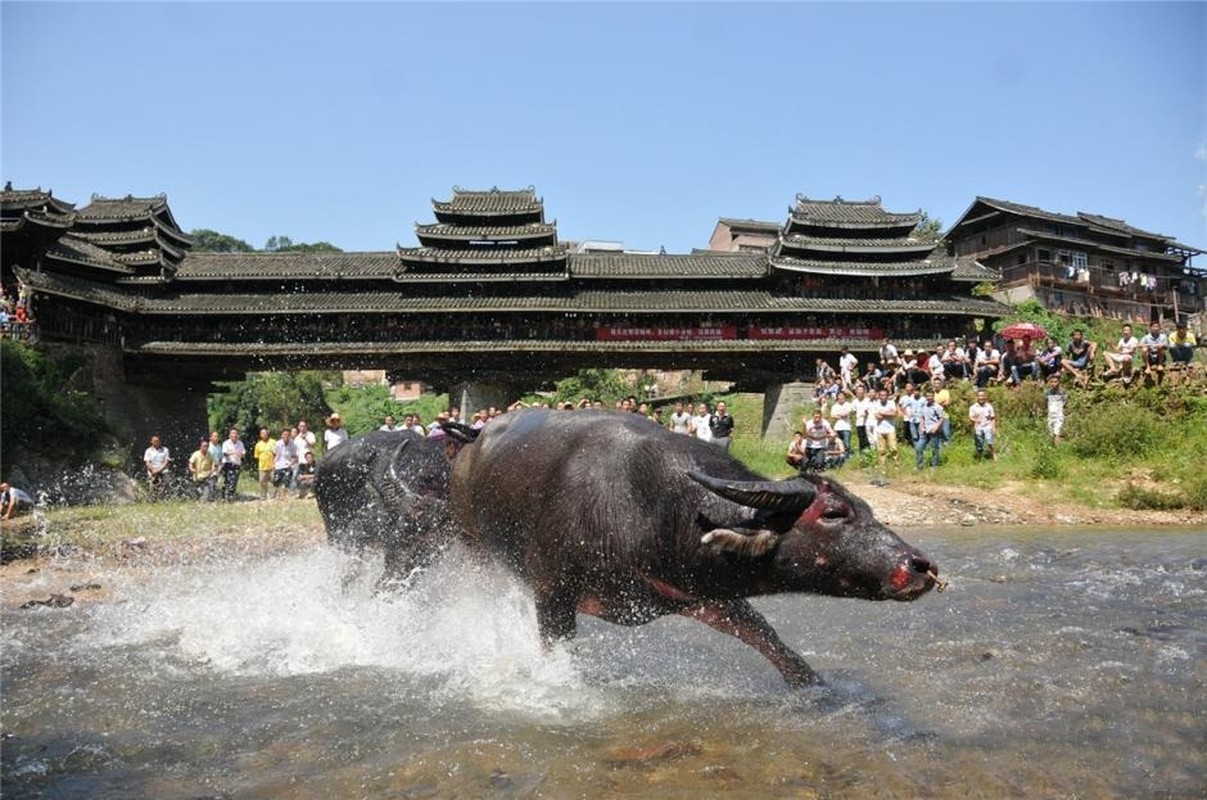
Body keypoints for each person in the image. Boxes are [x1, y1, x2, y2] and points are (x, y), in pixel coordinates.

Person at [916, 391, 947, 470]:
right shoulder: (924, 406)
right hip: (925, 431)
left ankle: (934, 466)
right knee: (919, 448)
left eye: (930, 396)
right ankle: (919, 466)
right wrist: (921, 426)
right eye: (927, 396)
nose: (929, 398)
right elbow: (922, 417)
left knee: (934, 449)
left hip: (934, 431)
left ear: (933, 396)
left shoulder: (938, 407)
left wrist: (936, 428)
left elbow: (942, 418)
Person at [872, 387, 900, 466]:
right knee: (881, 449)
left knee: (893, 448)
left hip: (890, 429)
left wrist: (882, 412)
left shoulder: (891, 403)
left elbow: (894, 414)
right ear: (879, 396)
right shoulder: (876, 404)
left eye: (884, 395)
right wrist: (888, 413)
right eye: (881, 395)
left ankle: (896, 464)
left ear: (887, 396)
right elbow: (877, 417)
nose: (883, 397)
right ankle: (882, 465)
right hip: (880, 429)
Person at [968, 389, 997, 462]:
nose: (981, 397)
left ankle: (993, 453)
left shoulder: (989, 406)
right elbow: (971, 417)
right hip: (978, 427)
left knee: (989, 441)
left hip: (987, 426)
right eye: (979, 396)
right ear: (977, 397)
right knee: (979, 445)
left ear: (985, 397)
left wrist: (993, 428)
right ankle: (979, 457)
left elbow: (992, 418)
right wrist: (975, 420)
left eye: (983, 396)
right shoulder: (973, 407)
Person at [143, 434, 171, 500]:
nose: (156, 442)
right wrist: (153, 470)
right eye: (155, 441)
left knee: (164, 482)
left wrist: (159, 470)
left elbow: (166, 462)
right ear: (151, 441)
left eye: (158, 441)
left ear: (160, 442)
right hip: (152, 469)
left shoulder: (165, 450)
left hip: (162, 468)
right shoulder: (148, 451)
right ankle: (152, 498)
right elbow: (147, 462)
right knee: (152, 483)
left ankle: (161, 498)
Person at [220, 428, 245, 501]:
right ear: (229, 435)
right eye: (233, 433)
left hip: (237, 464)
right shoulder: (226, 443)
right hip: (228, 464)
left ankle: (231, 496)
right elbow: (224, 453)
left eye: (236, 433)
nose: (234, 435)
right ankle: (224, 496)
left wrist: (241, 454)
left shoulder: (240, 443)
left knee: (234, 481)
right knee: (227, 480)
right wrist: (232, 453)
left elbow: (243, 453)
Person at [253, 427, 276, 501]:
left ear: (268, 433)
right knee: (262, 482)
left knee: (274, 481)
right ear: (260, 435)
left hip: (272, 466)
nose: (264, 434)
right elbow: (257, 456)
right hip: (262, 467)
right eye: (262, 433)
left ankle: (274, 496)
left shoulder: (273, 442)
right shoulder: (258, 445)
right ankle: (263, 497)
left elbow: (277, 453)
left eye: (265, 432)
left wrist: (275, 463)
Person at [1044, 374, 1067, 445]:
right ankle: (1053, 449)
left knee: (1057, 433)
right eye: (1052, 382)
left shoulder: (1062, 392)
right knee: (1051, 434)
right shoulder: (1047, 393)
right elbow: (1045, 403)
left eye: (1056, 381)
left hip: (1059, 415)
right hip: (1050, 416)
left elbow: (1065, 403)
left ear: (1059, 382)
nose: (1054, 384)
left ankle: (1059, 450)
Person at [829, 390, 853, 455]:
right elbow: (832, 416)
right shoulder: (834, 406)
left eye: (842, 396)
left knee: (846, 443)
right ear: (837, 397)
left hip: (846, 427)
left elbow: (846, 414)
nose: (841, 397)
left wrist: (838, 415)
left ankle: (848, 456)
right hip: (837, 427)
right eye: (839, 396)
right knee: (838, 443)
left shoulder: (848, 404)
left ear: (845, 397)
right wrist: (839, 415)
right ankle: (840, 456)